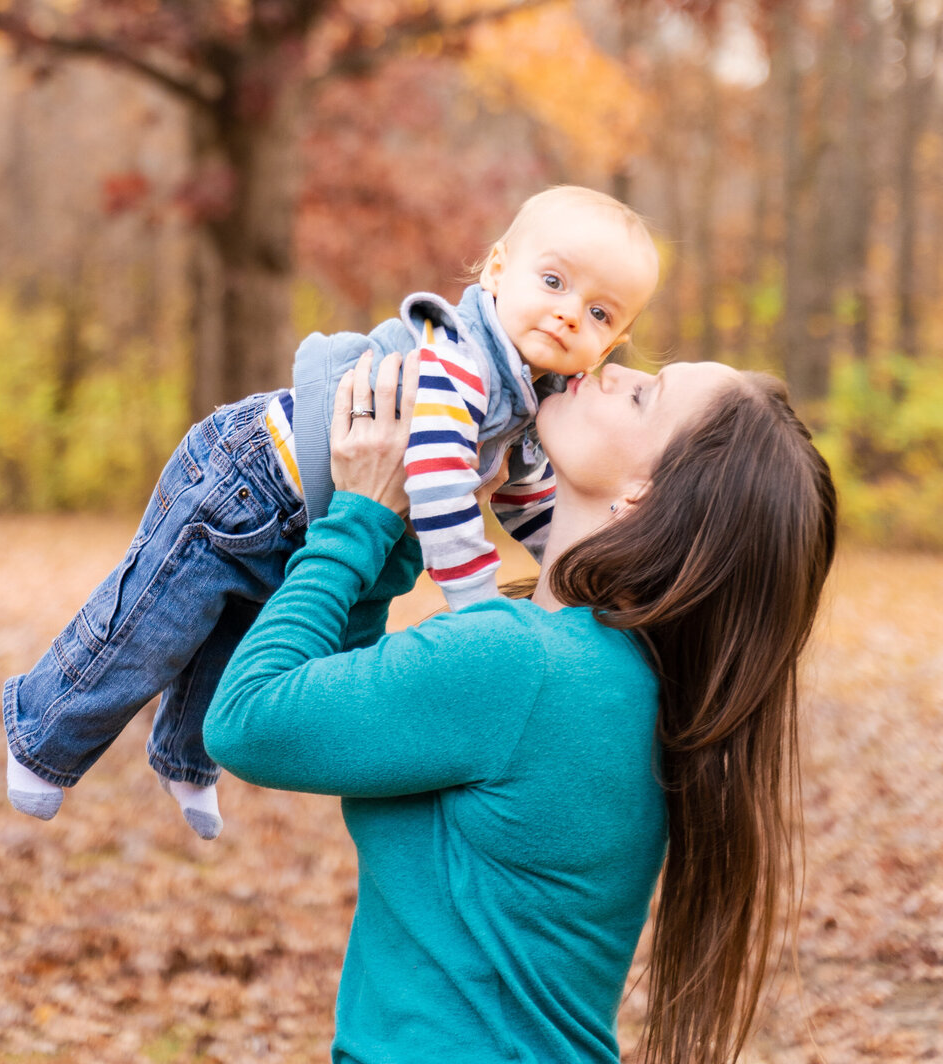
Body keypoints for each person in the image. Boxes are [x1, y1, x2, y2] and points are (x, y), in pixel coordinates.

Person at [205, 347, 837, 1064]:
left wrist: (355, 520)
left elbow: (248, 720)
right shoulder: (615, 672)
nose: (614, 366)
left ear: (644, 496)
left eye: (643, 398)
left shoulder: (522, 665)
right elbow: (345, 709)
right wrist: (397, 522)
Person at [3, 185, 660, 838]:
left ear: (616, 340)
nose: (570, 314)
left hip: (301, 514)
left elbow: (530, 502)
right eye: (552, 281)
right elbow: (436, 483)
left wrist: (585, 570)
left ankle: (185, 759)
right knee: (157, 623)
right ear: (497, 271)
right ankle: (41, 731)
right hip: (250, 474)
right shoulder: (462, 358)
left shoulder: (530, 402)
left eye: (601, 314)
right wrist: (476, 605)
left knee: (229, 634)